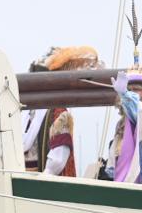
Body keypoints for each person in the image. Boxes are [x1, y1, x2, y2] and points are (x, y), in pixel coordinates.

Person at [23, 45, 98, 176]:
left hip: (44, 184)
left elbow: (58, 157)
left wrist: (44, 178)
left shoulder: (58, 112)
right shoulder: (27, 114)